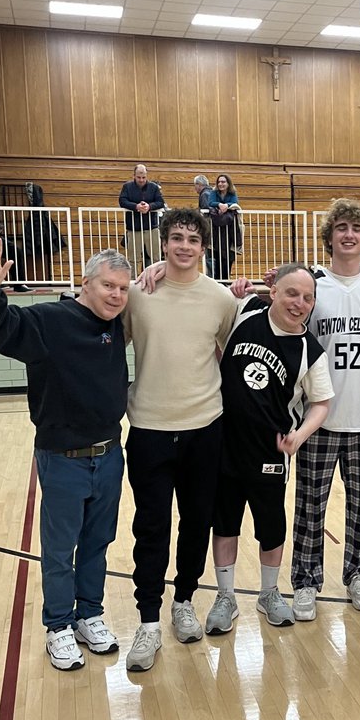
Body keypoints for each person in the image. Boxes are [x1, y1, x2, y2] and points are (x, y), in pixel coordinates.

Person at [0, 236, 131, 670]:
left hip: (110, 454)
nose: (116, 295)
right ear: (86, 282)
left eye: (123, 288)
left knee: (98, 542)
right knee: (60, 549)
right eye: (108, 286)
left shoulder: (116, 321)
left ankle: (90, 615)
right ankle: (59, 625)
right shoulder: (50, 320)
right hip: (62, 458)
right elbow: (5, 331)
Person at [122, 207, 238, 671]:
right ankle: (148, 622)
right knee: (151, 526)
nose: (184, 246)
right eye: (176, 238)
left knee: (196, 522)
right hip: (149, 428)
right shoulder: (138, 295)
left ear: (204, 247)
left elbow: (231, 354)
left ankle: (184, 599)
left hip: (205, 427)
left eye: (193, 238)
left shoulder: (221, 300)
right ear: (163, 243)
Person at [289, 199, 360, 620]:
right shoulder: (314, 283)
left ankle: (358, 571)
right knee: (310, 505)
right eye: (341, 227)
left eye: (356, 229)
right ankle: (305, 580)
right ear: (330, 236)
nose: (349, 235)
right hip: (318, 418)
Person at [208, 264, 335, 631]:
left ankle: (268, 593)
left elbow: (323, 403)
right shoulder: (244, 310)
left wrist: (300, 436)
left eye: (308, 297)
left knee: (271, 528)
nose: (299, 303)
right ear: (274, 290)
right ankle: (225, 595)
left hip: (271, 451)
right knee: (226, 524)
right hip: (226, 443)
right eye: (292, 293)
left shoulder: (310, 350)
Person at [118, 164, 166, 273]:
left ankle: (156, 279)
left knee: (156, 257)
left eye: (144, 177)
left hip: (151, 227)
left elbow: (160, 202)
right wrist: (136, 207)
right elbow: (122, 201)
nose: (141, 180)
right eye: (139, 177)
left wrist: (149, 207)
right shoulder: (127, 186)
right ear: (134, 176)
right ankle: (132, 282)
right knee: (133, 259)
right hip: (134, 228)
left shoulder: (153, 187)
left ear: (146, 176)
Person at [205, 173, 243, 281]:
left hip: (229, 228)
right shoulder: (213, 192)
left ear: (228, 183)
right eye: (219, 182)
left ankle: (226, 279)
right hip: (217, 229)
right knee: (217, 255)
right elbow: (210, 202)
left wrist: (227, 205)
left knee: (228, 255)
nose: (221, 184)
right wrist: (219, 205)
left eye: (223, 182)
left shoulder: (232, 192)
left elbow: (235, 202)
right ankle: (218, 281)